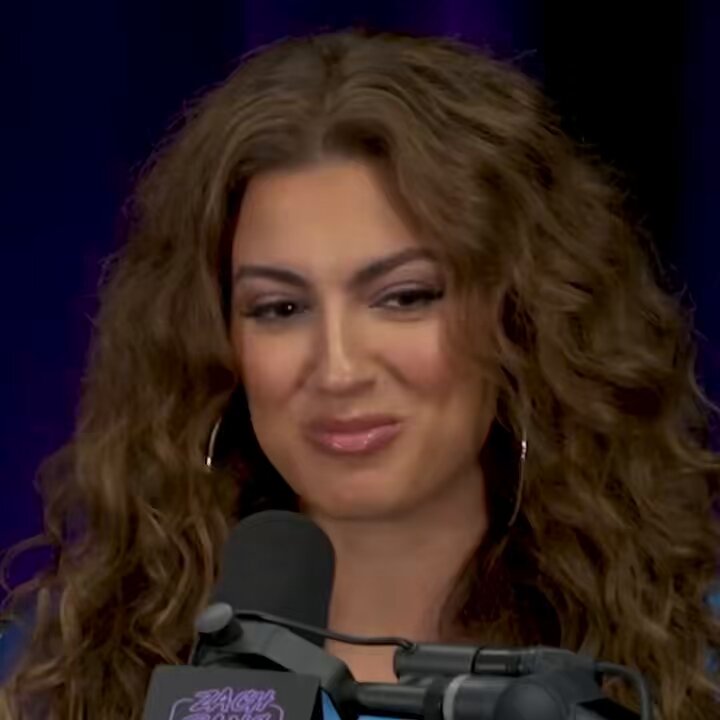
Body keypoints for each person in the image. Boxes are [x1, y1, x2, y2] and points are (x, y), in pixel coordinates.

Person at [0, 28, 718, 720]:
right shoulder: (58, 674)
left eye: (404, 297)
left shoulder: (694, 653)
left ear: (523, 317)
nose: (338, 370)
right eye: (280, 308)